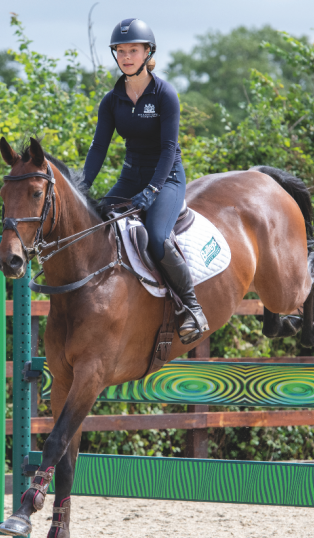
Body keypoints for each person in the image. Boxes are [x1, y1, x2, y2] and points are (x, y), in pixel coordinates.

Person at [82, 18, 209, 344]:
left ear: (147, 52)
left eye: (133, 50)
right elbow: (99, 147)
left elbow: (169, 148)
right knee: (96, 223)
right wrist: (83, 186)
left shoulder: (165, 94)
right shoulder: (112, 101)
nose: (126, 56)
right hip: (131, 175)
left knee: (157, 237)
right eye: (120, 51)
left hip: (166, 177)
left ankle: (192, 307)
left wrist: (153, 190)